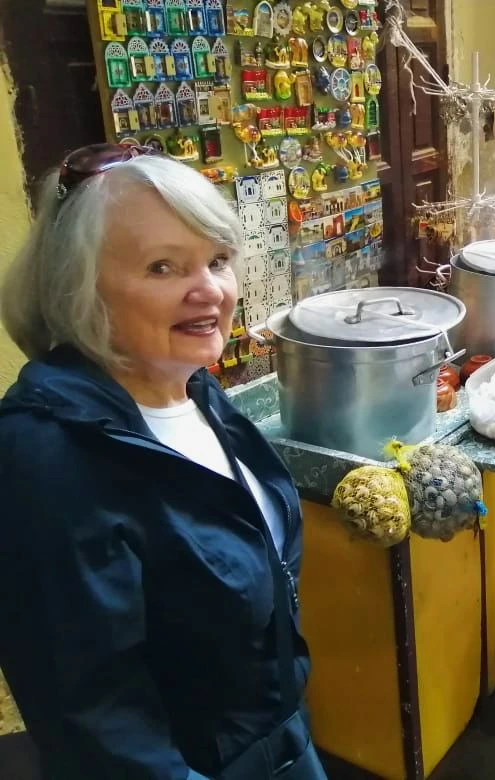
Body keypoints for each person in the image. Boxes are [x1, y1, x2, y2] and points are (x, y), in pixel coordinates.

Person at [0, 144, 327, 780]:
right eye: (162, 267)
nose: (209, 289)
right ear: (78, 288)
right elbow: (92, 714)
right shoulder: (45, 457)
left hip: (280, 742)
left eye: (218, 260)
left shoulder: (194, 390)